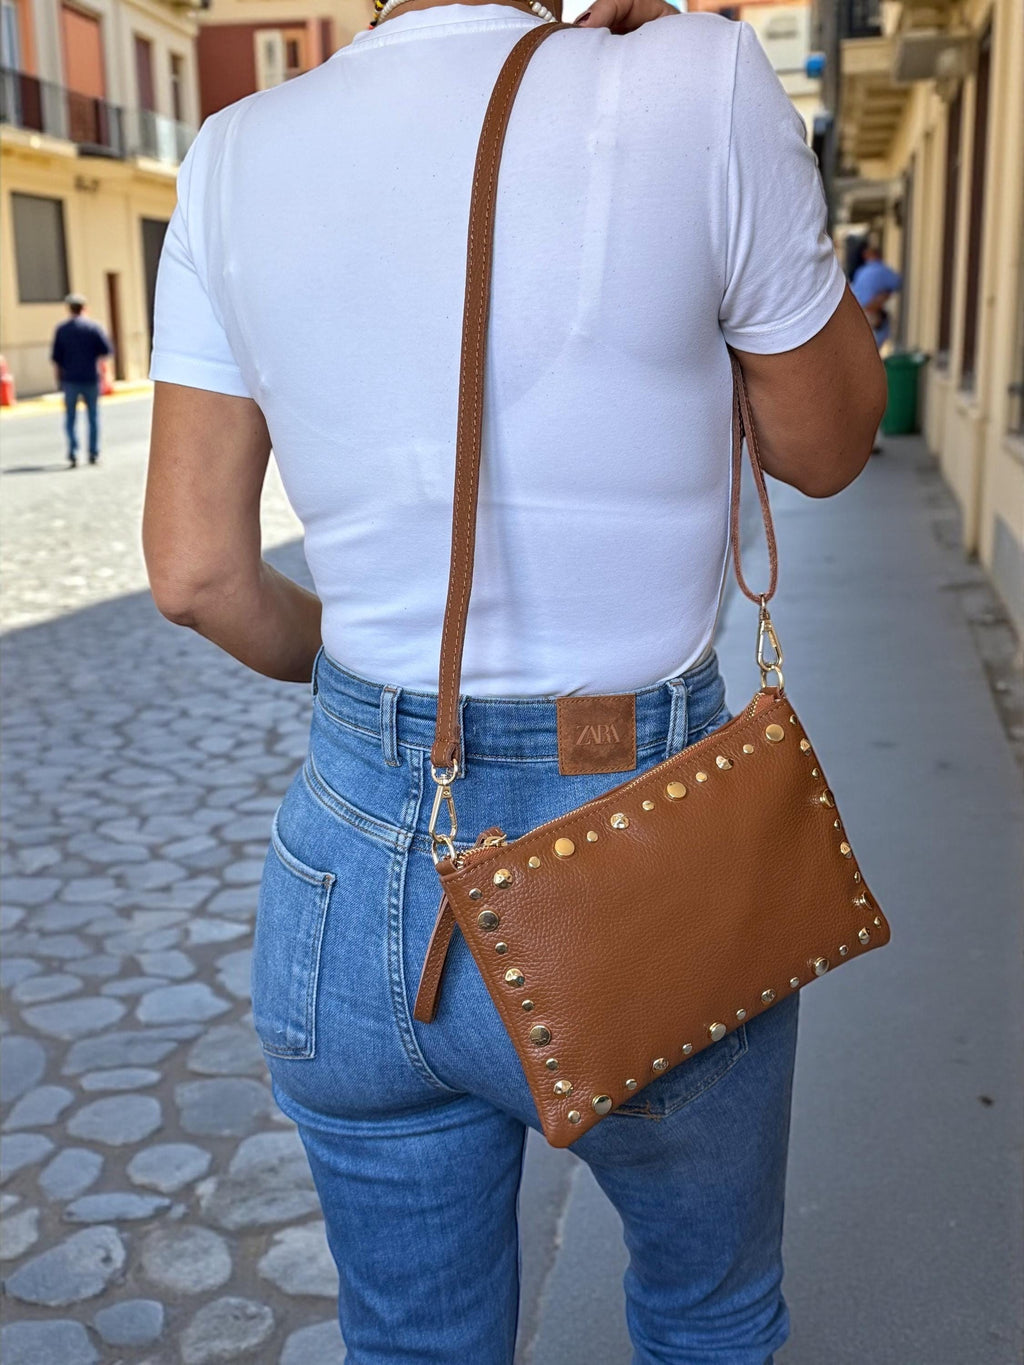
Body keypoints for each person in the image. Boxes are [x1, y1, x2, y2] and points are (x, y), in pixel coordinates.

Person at [143, 0, 885, 1359]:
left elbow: (196, 573)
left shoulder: (233, 152)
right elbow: (831, 444)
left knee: (417, 1344)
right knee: (706, 1315)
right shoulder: (693, 78)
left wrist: (385, 706)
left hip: (353, 871)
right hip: (645, 847)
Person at [51, 293, 112, 467]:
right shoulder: (93, 328)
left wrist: (59, 380)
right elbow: (105, 352)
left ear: (69, 309)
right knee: (93, 417)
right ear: (84, 308)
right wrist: (105, 374)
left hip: (70, 379)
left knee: (70, 418)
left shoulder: (62, 330)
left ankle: (73, 453)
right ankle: (93, 453)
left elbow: (56, 358)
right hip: (91, 378)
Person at [851, 238, 902, 350]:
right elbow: (899, 283)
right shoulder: (882, 270)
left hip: (861, 313)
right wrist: (886, 293)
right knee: (876, 345)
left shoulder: (860, 272)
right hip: (874, 313)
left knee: (864, 348)